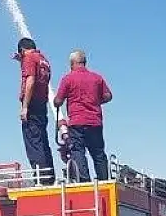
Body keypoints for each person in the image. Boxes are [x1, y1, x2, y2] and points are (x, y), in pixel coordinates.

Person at [53, 49, 113, 182]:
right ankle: (104, 180)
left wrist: (56, 102)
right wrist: (96, 101)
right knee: (98, 153)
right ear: (85, 62)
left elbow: (58, 100)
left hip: (77, 123)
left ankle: (84, 181)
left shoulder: (68, 78)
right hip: (95, 122)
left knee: (78, 152)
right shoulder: (97, 77)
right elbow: (108, 96)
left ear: (72, 63)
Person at [13, 37, 56, 185]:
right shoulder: (43, 59)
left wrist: (25, 107)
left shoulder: (29, 58)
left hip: (32, 104)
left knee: (33, 142)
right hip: (41, 104)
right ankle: (48, 177)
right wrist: (22, 61)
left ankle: (41, 178)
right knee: (42, 141)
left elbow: (30, 81)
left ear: (23, 50)